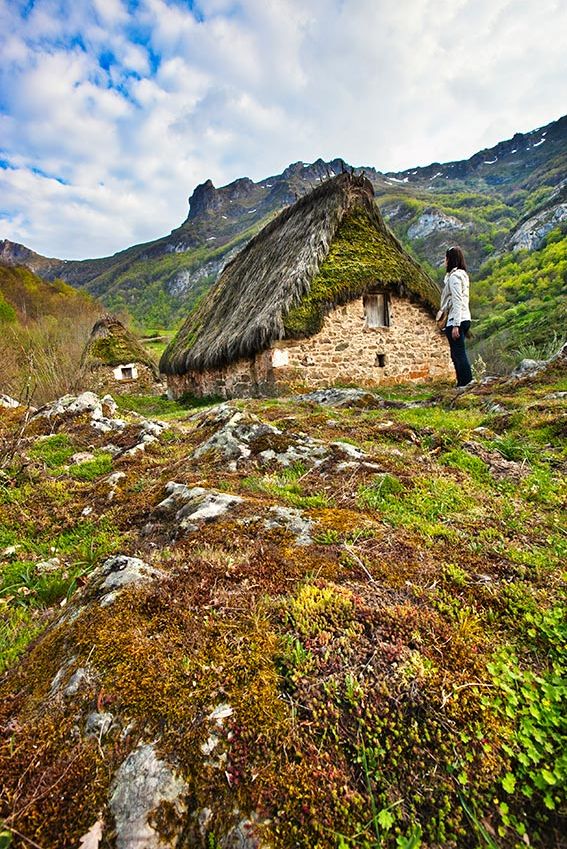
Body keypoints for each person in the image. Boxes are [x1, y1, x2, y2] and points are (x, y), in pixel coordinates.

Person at [439, 246, 473, 388]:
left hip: (456, 319)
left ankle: (465, 383)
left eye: (446, 258)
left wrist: (456, 325)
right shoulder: (462, 275)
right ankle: (462, 382)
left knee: (458, 354)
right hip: (464, 317)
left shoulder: (454, 277)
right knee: (457, 354)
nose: (445, 261)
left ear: (450, 259)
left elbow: (458, 300)